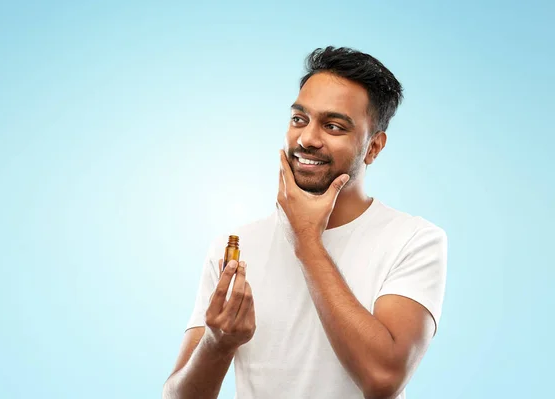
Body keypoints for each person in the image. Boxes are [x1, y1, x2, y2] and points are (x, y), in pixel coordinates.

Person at [162, 46, 447, 399]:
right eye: (300, 119)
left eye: (333, 126)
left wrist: (307, 242)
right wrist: (217, 344)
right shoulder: (233, 248)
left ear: (373, 147)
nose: (307, 139)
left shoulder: (414, 240)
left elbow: (383, 378)